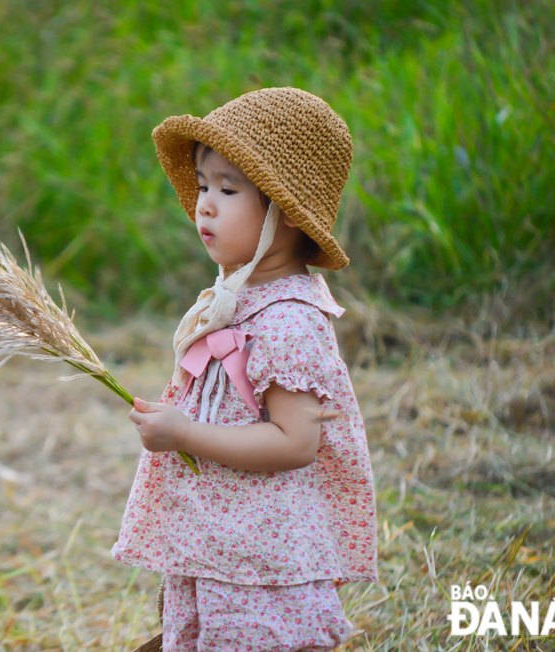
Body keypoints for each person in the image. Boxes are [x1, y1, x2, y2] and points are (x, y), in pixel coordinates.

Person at [111, 87, 378, 651]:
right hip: (222, 542)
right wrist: (182, 415)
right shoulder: (236, 299)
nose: (204, 204)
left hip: (263, 561)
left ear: (286, 215)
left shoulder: (289, 321)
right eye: (204, 185)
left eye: (228, 189)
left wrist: (187, 434)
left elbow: (295, 441)